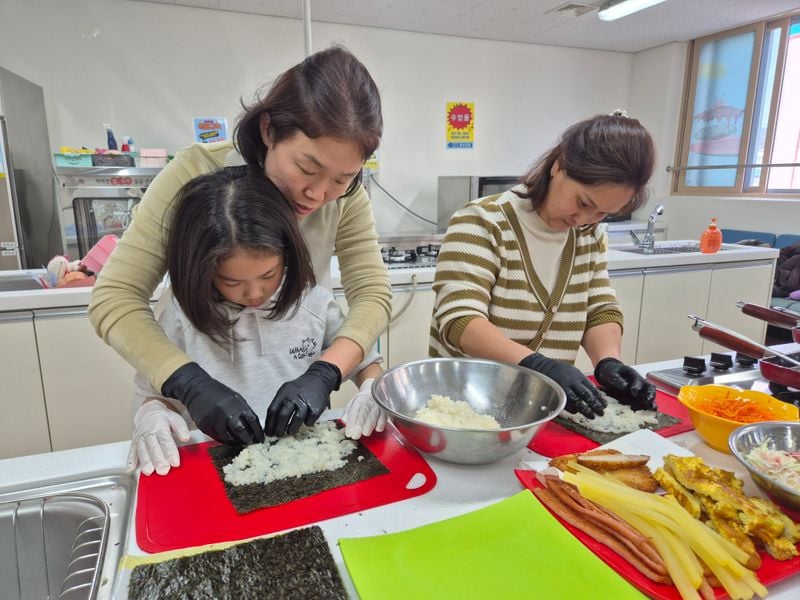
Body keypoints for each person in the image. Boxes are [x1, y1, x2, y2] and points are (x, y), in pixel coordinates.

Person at [89, 46, 391, 443]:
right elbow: (115, 297)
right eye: (306, 168)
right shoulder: (194, 173)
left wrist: (326, 372)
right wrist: (189, 383)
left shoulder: (345, 202)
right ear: (268, 130)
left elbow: (371, 293)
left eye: (341, 178)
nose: (318, 194)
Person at [128, 166, 385, 476]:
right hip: (219, 468)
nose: (254, 292)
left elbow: (363, 362)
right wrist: (153, 415)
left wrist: (372, 389)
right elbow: (155, 394)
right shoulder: (181, 315)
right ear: (202, 269)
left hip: (306, 463)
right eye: (231, 281)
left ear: (286, 255)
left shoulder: (313, 301)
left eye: (268, 275)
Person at [429, 112, 657, 419]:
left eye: (602, 213)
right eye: (584, 202)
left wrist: (608, 362)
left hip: (542, 412)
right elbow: (460, 321)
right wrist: (538, 365)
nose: (584, 220)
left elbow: (599, 307)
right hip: (466, 410)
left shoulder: (588, 236)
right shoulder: (482, 222)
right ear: (559, 166)